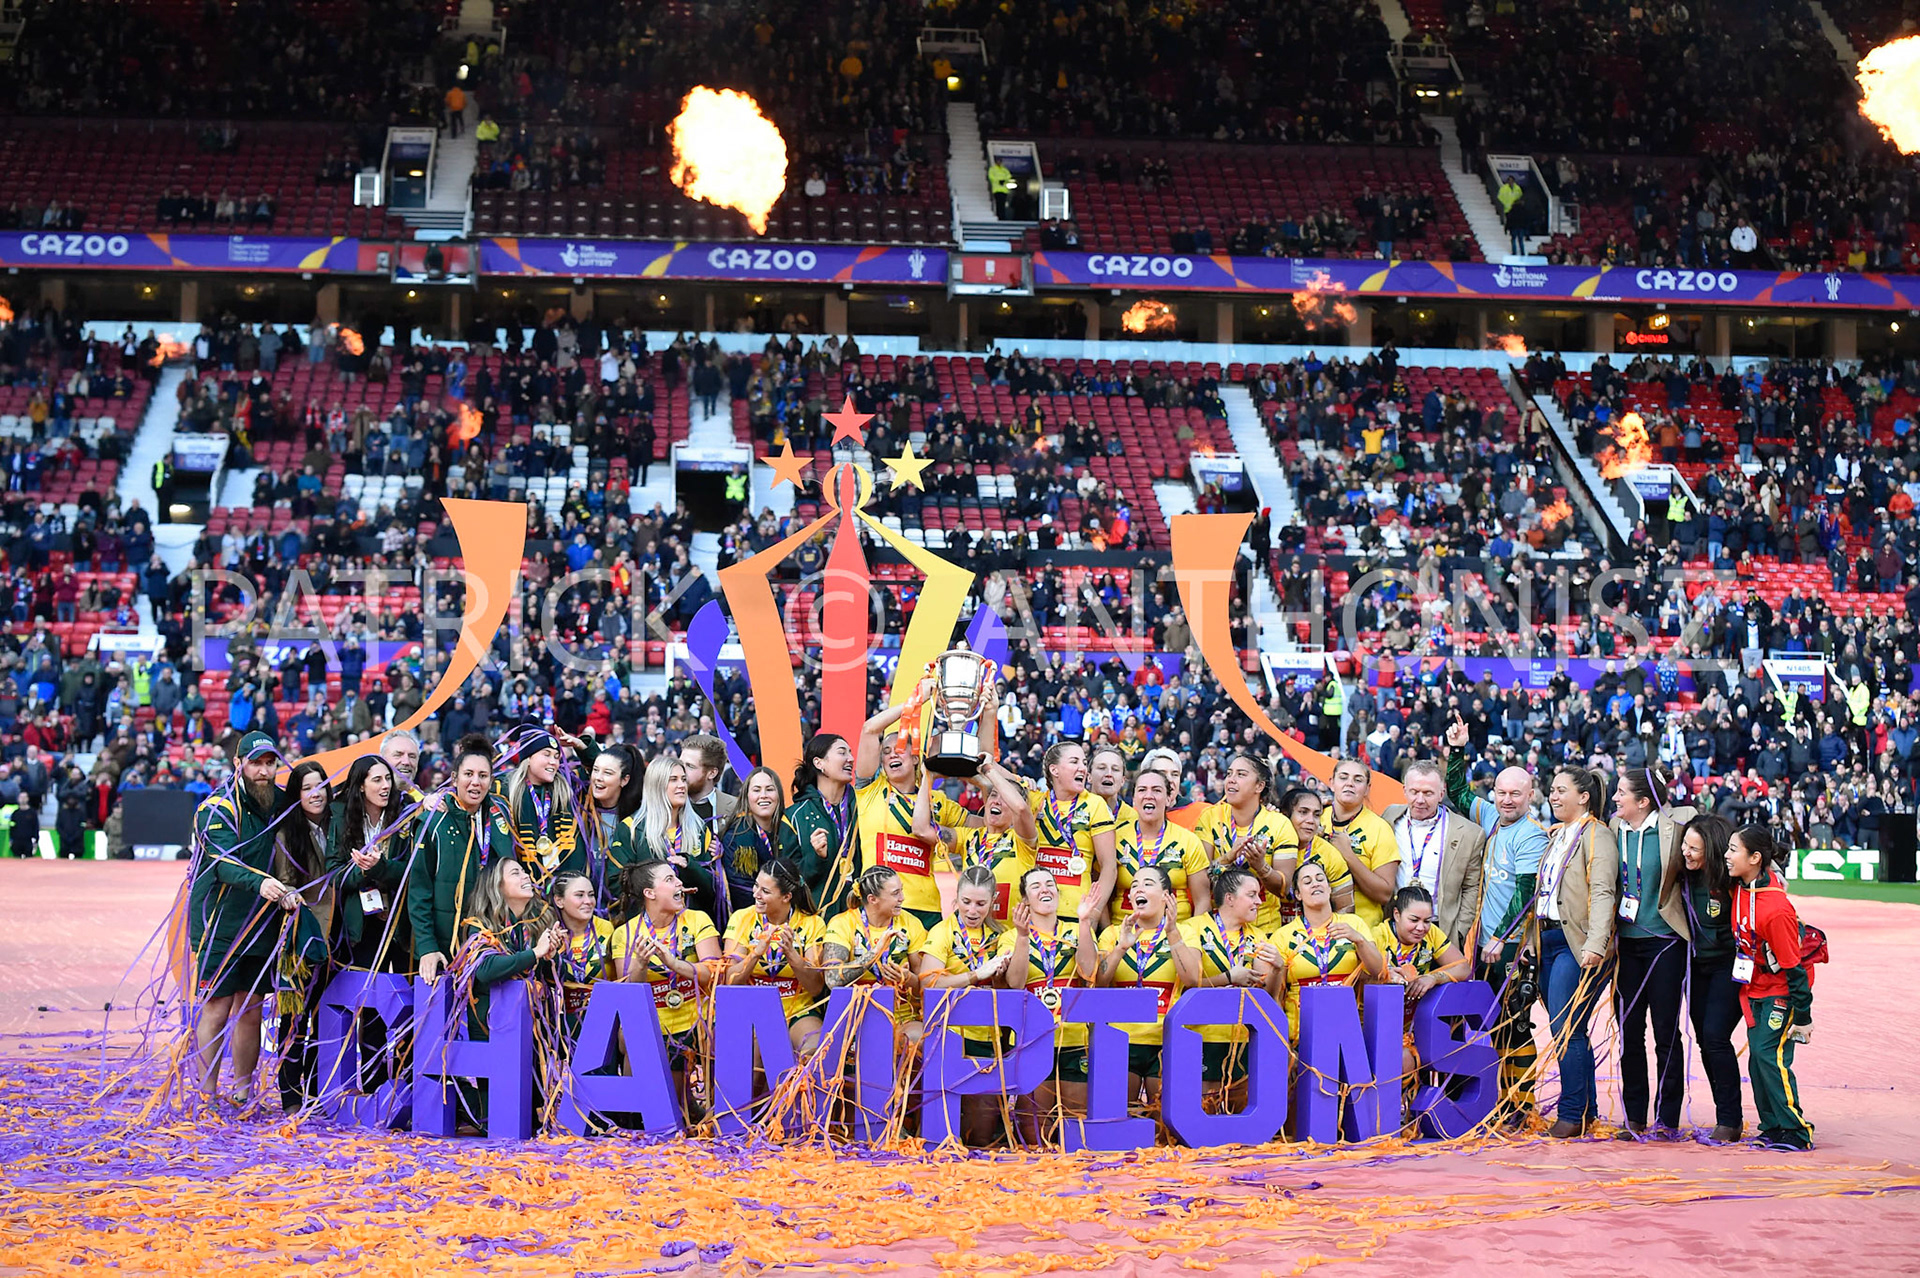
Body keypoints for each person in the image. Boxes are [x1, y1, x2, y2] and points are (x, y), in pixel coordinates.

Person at [1443, 718, 1548, 1119]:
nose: (1507, 800)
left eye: (1515, 794)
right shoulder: (1489, 817)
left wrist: (1501, 938)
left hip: (1509, 947)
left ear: (1530, 795)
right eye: (1501, 792)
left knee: (1515, 1022)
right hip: (1481, 943)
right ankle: (1494, 1098)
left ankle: (1521, 1103)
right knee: (1486, 1022)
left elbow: (1525, 895)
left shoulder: (1532, 835)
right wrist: (1458, 750)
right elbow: (1455, 791)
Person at [188, 731, 290, 1106]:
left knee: (252, 1006)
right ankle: (207, 1094)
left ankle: (244, 1091)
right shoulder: (216, 808)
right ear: (238, 765)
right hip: (220, 922)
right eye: (256, 763)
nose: (263, 771)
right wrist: (262, 882)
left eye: (270, 763)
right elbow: (224, 862)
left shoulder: (281, 802)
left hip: (263, 922)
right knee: (216, 1006)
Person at [1525, 765, 1619, 1138]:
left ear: (1584, 797)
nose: (1553, 795)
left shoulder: (1598, 837)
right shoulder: (1556, 836)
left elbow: (1602, 893)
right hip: (1546, 939)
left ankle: (1571, 1113)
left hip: (1576, 945)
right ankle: (1588, 1110)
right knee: (1569, 1027)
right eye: (1551, 789)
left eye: (1561, 790)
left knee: (1565, 1029)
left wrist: (1596, 944)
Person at [1609, 766, 1696, 1139]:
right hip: (1625, 944)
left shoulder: (1674, 827)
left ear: (1644, 802)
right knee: (1629, 1031)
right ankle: (1634, 1118)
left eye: (1622, 793)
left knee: (1665, 1032)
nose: (1615, 798)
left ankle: (1667, 1119)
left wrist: (1772, 866)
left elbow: (1718, 837)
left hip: (1665, 942)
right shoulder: (1611, 830)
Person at [854, 692, 984, 929]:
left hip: (926, 908)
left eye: (901, 746)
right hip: (878, 905)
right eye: (886, 751)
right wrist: (916, 701)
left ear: (915, 758)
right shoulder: (869, 790)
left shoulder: (938, 801)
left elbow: (987, 826)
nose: (892, 753)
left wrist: (980, 780)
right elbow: (869, 730)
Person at [451, 859, 564, 1129]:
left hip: (531, 1028)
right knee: (499, 1121)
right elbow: (485, 970)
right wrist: (535, 953)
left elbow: (549, 979)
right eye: (517, 872)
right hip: (492, 1029)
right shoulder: (478, 926)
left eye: (525, 871)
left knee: (528, 1118)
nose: (526, 875)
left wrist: (551, 955)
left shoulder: (534, 923)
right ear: (497, 886)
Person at [1726, 825, 1816, 1151]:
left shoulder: (1776, 910)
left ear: (1755, 858)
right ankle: (1773, 1126)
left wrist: (1803, 1016)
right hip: (1754, 988)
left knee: (1769, 1055)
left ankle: (1797, 1130)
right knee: (1756, 1060)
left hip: (1781, 990)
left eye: (1733, 849)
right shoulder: (1740, 889)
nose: (1726, 855)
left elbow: (1794, 967)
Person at [999, 866, 1102, 1144]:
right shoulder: (1010, 937)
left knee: (1075, 1128)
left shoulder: (1074, 930)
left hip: (1073, 1038)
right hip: (1032, 1039)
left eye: (1050, 884)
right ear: (1025, 901)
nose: (1045, 889)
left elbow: (1089, 971)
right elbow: (1016, 983)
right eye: (1035, 886)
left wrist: (1084, 923)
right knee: (1034, 1133)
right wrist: (1022, 937)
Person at [914, 864, 1015, 1145]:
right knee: (938, 1129)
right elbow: (928, 985)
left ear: (993, 902)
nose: (972, 910)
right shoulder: (942, 932)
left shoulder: (1000, 936)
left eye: (981, 904)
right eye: (966, 902)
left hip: (988, 1037)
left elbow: (1009, 990)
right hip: (949, 1037)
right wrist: (973, 976)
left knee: (980, 1137)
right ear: (955, 900)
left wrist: (998, 977)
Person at [409, 733, 516, 987]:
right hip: (444, 951)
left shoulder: (501, 817)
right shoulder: (432, 823)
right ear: (454, 778)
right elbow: (419, 890)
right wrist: (426, 947)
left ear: (491, 780)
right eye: (468, 774)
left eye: (483, 776)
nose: (475, 782)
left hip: (491, 945)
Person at [611, 860, 721, 1104]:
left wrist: (674, 964)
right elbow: (630, 996)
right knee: (676, 1109)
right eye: (670, 879)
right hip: (656, 1027)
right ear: (649, 893)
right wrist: (639, 963)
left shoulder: (696, 919)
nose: (680, 883)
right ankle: (635, 1118)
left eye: (677, 878)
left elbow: (715, 973)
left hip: (699, 1022)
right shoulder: (625, 934)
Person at [1095, 865, 1202, 1112]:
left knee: (1164, 1123)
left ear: (1167, 896)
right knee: (1120, 1120)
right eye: (1134, 885)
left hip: (1166, 1039)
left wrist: (1172, 933)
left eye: (1148, 883)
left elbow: (1192, 979)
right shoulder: (1112, 933)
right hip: (1122, 1039)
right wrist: (1121, 947)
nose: (1138, 888)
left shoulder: (1186, 931)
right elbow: (1098, 983)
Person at [1184, 867, 1277, 1110]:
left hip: (1244, 1037)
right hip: (1203, 1035)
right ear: (1230, 899)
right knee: (1203, 1111)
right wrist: (1228, 977)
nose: (1259, 901)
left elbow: (1265, 991)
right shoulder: (1192, 929)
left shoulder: (1259, 937)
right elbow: (1189, 984)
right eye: (1252, 894)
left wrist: (1277, 970)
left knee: (1239, 1115)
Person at [272, 760, 336, 1112]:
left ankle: (320, 1089)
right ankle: (290, 1095)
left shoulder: (339, 825)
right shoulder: (287, 835)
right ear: (295, 795)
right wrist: (288, 895)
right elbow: (285, 884)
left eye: (321, 786)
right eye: (307, 788)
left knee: (326, 1017)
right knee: (295, 1018)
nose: (316, 794)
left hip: (338, 938)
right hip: (301, 941)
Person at [1678, 814, 1743, 1143]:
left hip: (1728, 967)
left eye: (1695, 848)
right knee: (1705, 1039)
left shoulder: (1732, 879)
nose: (1686, 852)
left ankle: (1730, 1121)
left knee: (1716, 1036)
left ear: (1713, 850)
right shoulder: (1682, 876)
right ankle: (1726, 1114)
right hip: (1696, 967)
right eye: (1685, 845)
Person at [1370, 884, 1468, 1098]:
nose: (1421, 928)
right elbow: (1362, 976)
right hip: (1375, 1023)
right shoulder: (1378, 936)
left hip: (1413, 1024)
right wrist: (1385, 975)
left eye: (1427, 921)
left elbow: (1463, 966)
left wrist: (1434, 977)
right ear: (1396, 914)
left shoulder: (1431, 934)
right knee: (1404, 1058)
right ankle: (1393, 1114)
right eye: (1414, 920)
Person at [1269, 860, 1383, 1043]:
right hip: (1300, 1034)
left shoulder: (1354, 923)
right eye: (1307, 881)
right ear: (1298, 894)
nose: (1315, 883)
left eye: (1320, 879)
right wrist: (1284, 1046)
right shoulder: (1283, 936)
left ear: (1329, 889)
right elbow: (1274, 996)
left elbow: (1378, 971)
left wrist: (1359, 940)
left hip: (1345, 1032)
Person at [723, 858, 829, 1054]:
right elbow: (730, 981)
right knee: (754, 1071)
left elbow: (816, 988)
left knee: (815, 1051)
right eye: (756, 886)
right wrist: (755, 954)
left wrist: (792, 955)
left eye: (765, 891)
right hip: (754, 1010)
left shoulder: (812, 923)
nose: (756, 894)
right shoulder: (742, 918)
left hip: (797, 1009)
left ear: (786, 896)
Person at [1380, 759, 1486, 950]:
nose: (1420, 800)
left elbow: (1472, 887)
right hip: (1392, 929)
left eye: (1428, 793)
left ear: (1441, 793)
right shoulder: (1389, 816)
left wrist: (1459, 930)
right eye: (1414, 792)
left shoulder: (1468, 833)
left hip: (1440, 931)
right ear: (1404, 791)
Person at [913, 759, 1035, 923]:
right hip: (973, 934)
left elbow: (1021, 808)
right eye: (993, 795)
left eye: (1004, 798)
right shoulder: (969, 837)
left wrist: (987, 770)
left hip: (1009, 937)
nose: (996, 801)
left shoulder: (1023, 841)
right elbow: (921, 829)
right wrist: (928, 780)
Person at [822, 867, 928, 1040]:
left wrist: (907, 978)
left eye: (901, 891)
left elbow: (924, 984)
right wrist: (874, 954)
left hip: (901, 1017)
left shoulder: (911, 923)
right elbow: (832, 980)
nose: (902, 898)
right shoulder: (842, 923)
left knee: (922, 1038)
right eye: (895, 893)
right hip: (855, 1017)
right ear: (872, 899)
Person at [1197, 752, 1297, 930]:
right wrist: (1227, 858)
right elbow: (1201, 879)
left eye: (1241, 774)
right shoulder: (1210, 817)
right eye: (1229, 774)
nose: (1231, 780)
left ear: (1259, 786)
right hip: (1218, 932)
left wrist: (1261, 866)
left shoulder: (1279, 824)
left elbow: (1283, 889)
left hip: (1264, 929)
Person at [329, 754, 410, 971]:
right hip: (360, 925)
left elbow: (413, 870)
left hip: (400, 921)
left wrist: (380, 868)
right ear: (361, 786)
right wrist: (363, 872)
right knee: (367, 995)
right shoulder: (340, 817)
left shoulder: (406, 814)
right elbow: (333, 875)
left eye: (388, 778)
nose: (385, 786)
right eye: (377, 780)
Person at [1026, 741, 1119, 922]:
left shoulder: (1095, 804)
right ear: (1055, 770)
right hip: (1035, 913)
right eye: (1074, 761)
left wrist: (1094, 913)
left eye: (1084, 763)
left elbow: (1109, 867)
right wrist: (1019, 781)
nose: (1083, 768)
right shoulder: (1033, 801)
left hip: (1077, 913)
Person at [620, 755, 721, 920]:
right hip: (648, 928)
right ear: (656, 785)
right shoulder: (630, 829)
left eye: (683, 779)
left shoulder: (699, 829)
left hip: (692, 926)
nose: (681, 785)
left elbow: (714, 889)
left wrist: (689, 866)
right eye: (673, 780)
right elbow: (619, 883)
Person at [1115, 766, 1210, 924]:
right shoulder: (1115, 838)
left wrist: (1188, 938)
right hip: (1124, 934)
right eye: (1142, 790)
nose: (1149, 796)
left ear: (1168, 799)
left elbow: (1202, 900)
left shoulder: (1188, 840)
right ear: (1133, 799)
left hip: (1175, 935)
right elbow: (1101, 895)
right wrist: (1109, 934)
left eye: (1157, 790)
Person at [501, 728, 585, 889]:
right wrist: (439, 797)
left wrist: (582, 747)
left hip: (564, 888)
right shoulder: (504, 788)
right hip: (522, 889)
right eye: (546, 754)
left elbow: (599, 775)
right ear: (528, 758)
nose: (553, 762)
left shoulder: (568, 786)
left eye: (556, 756)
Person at [1324, 757, 1402, 929]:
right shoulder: (1315, 819)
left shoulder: (1379, 828)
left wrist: (1349, 856)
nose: (1349, 783)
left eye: (1358, 780)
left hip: (1363, 931)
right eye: (1343, 777)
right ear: (1332, 783)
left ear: (1367, 789)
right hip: (1315, 931)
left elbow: (1384, 894)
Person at [784, 733, 859, 911]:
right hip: (816, 919)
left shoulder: (861, 806)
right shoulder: (794, 816)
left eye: (850, 753)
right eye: (842, 753)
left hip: (861, 920)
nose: (851, 758)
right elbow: (787, 881)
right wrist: (816, 857)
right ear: (819, 763)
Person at [548, 870, 614, 1037]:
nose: (588, 901)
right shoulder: (549, 935)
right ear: (559, 901)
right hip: (561, 1024)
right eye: (579, 895)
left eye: (591, 895)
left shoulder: (607, 929)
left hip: (603, 1019)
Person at [1273, 787, 1355, 920]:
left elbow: (1345, 909)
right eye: (1303, 812)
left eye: (1316, 815)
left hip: (1316, 935)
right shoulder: (1269, 845)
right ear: (1284, 815)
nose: (1311, 820)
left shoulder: (1329, 854)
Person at [717, 766, 787, 915]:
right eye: (756, 790)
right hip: (751, 917)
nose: (763, 795)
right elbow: (740, 888)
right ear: (746, 796)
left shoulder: (791, 828)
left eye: (769, 789)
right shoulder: (735, 836)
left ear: (779, 794)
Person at [679, 733, 737, 827]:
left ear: (712, 773)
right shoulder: (666, 804)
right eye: (680, 763)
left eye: (690, 766)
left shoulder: (735, 808)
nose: (681, 770)